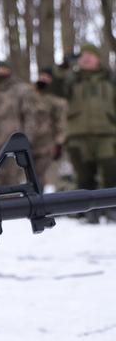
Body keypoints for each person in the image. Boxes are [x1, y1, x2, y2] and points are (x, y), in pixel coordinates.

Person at [60, 44, 116, 220]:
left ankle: (112, 208)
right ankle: (89, 211)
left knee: (111, 171)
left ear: (98, 58)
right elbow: (52, 87)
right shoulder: (71, 79)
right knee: (84, 176)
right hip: (78, 135)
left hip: (107, 134)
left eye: (91, 54)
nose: (86, 58)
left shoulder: (110, 78)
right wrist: (63, 66)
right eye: (83, 55)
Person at [27, 66, 67, 185]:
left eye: (47, 77)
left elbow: (61, 122)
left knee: (40, 179)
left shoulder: (56, 100)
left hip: (46, 144)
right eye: (42, 76)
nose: (43, 79)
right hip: (27, 141)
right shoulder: (29, 95)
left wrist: (59, 142)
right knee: (26, 178)